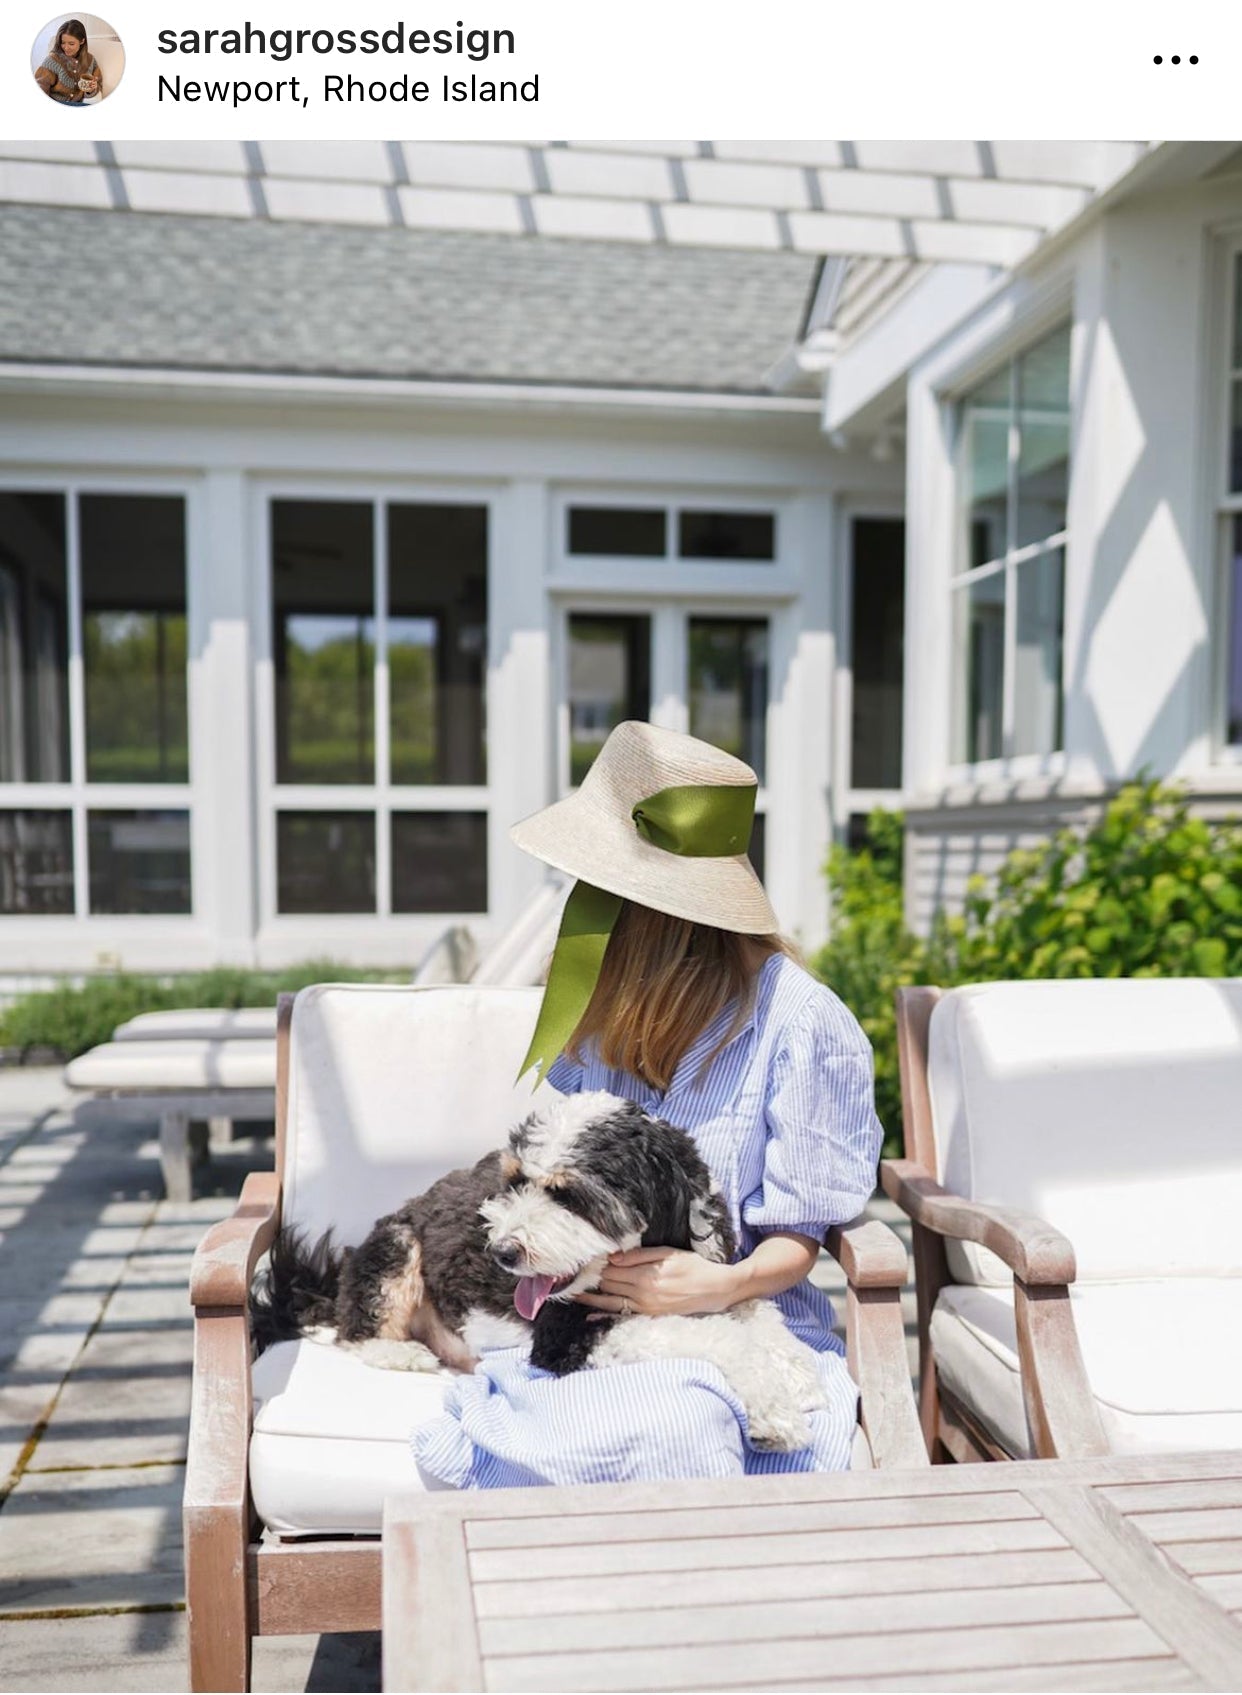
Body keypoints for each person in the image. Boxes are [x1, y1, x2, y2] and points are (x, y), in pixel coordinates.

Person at [411, 719, 883, 1486]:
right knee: (664, 1424)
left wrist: (720, 1284)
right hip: (596, 1325)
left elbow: (801, 1236)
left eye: (600, 889)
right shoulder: (603, 1016)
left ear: (657, 914)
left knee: (688, 1422)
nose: (583, 913)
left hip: (742, 1318)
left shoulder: (803, 1025)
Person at [34, 20, 102, 104]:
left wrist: (91, 91)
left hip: (80, 105)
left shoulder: (91, 60)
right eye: (63, 43)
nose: (66, 48)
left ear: (82, 41)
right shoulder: (52, 61)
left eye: (71, 44)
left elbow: (97, 87)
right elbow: (40, 88)